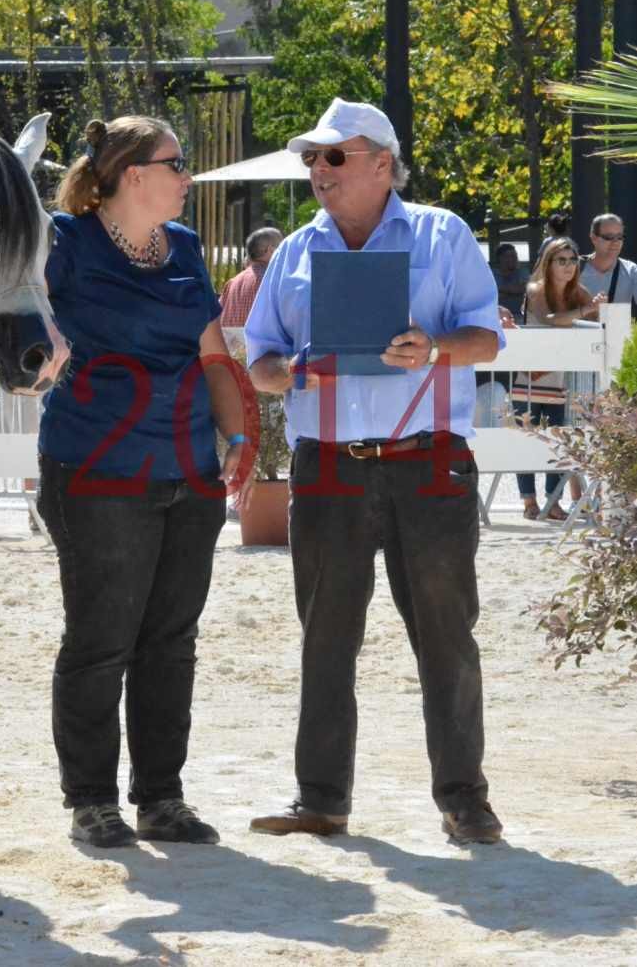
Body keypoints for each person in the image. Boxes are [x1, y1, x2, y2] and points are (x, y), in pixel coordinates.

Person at [244, 98, 507, 844]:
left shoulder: (442, 232)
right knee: (324, 637)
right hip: (325, 467)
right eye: (309, 159)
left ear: (382, 163)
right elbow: (257, 360)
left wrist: (433, 347)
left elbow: (485, 338)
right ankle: (320, 800)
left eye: (332, 156)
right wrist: (288, 372)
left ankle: (465, 800)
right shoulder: (293, 251)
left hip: (428, 462)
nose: (316, 171)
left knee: (445, 635)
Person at [35, 117, 247, 849]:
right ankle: (90, 800)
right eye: (176, 163)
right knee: (101, 638)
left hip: (189, 471)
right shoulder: (64, 241)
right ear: (133, 175)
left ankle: (161, 797)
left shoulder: (183, 247)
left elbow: (212, 355)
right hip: (93, 469)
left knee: (170, 640)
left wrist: (241, 433)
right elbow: (11, 312)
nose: (188, 177)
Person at [512, 237, 596, 521]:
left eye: (573, 260)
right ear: (548, 263)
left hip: (559, 381)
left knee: (558, 444)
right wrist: (586, 310)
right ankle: (529, 502)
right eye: (562, 260)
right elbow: (548, 319)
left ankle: (553, 501)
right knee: (526, 443)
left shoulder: (578, 291)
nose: (569, 266)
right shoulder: (535, 289)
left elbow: (598, 319)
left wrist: (598, 309)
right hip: (529, 378)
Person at [218, 226, 282, 328]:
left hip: (231, 343)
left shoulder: (232, 283)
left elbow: (217, 317)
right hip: (263, 343)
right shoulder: (274, 282)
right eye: (282, 248)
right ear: (270, 250)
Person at [579, 213, 633, 307]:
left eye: (620, 237)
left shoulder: (631, 271)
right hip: (575, 321)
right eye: (609, 237)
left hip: (616, 321)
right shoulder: (574, 268)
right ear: (593, 238)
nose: (615, 242)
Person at [491, 242, 528, 319]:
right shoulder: (491, 274)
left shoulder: (522, 272)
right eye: (508, 256)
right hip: (497, 317)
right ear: (500, 258)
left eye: (515, 256)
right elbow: (489, 295)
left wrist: (498, 289)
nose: (513, 259)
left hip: (519, 316)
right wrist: (512, 292)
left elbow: (523, 289)